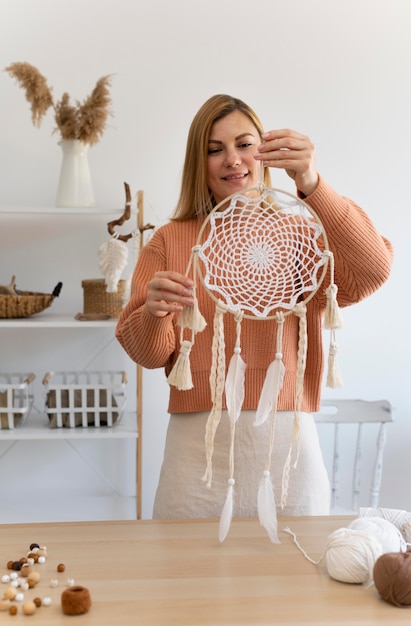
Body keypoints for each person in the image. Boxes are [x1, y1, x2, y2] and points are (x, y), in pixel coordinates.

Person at [116, 94, 393, 520]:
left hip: (288, 457)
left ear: (263, 153)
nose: (232, 159)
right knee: (188, 586)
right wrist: (154, 314)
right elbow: (149, 355)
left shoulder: (302, 230)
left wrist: (313, 182)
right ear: (198, 162)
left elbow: (371, 270)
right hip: (195, 463)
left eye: (244, 144)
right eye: (214, 149)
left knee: (297, 586)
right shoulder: (170, 239)